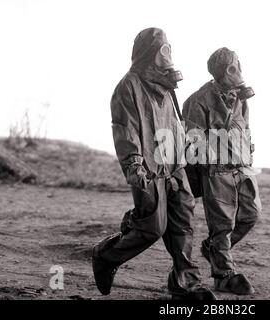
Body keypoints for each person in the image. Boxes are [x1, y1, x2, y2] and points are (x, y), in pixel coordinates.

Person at [92, 27, 215, 300]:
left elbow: (175, 125)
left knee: (182, 225)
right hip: (148, 170)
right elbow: (125, 128)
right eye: (161, 47)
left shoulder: (167, 86)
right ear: (149, 51)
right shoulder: (129, 86)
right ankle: (106, 256)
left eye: (168, 46)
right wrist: (134, 164)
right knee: (152, 227)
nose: (167, 52)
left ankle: (185, 285)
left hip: (176, 167)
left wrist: (191, 153)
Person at [182, 47, 262, 295]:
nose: (239, 71)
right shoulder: (198, 101)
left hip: (243, 169)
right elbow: (192, 143)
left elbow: (245, 128)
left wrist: (246, 153)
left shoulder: (241, 99)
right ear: (226, 70)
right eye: (234, 67)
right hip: (216, 171)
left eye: (239, 65)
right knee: (223, 225)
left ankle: (214, 249)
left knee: (250, 215)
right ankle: (224, 273)